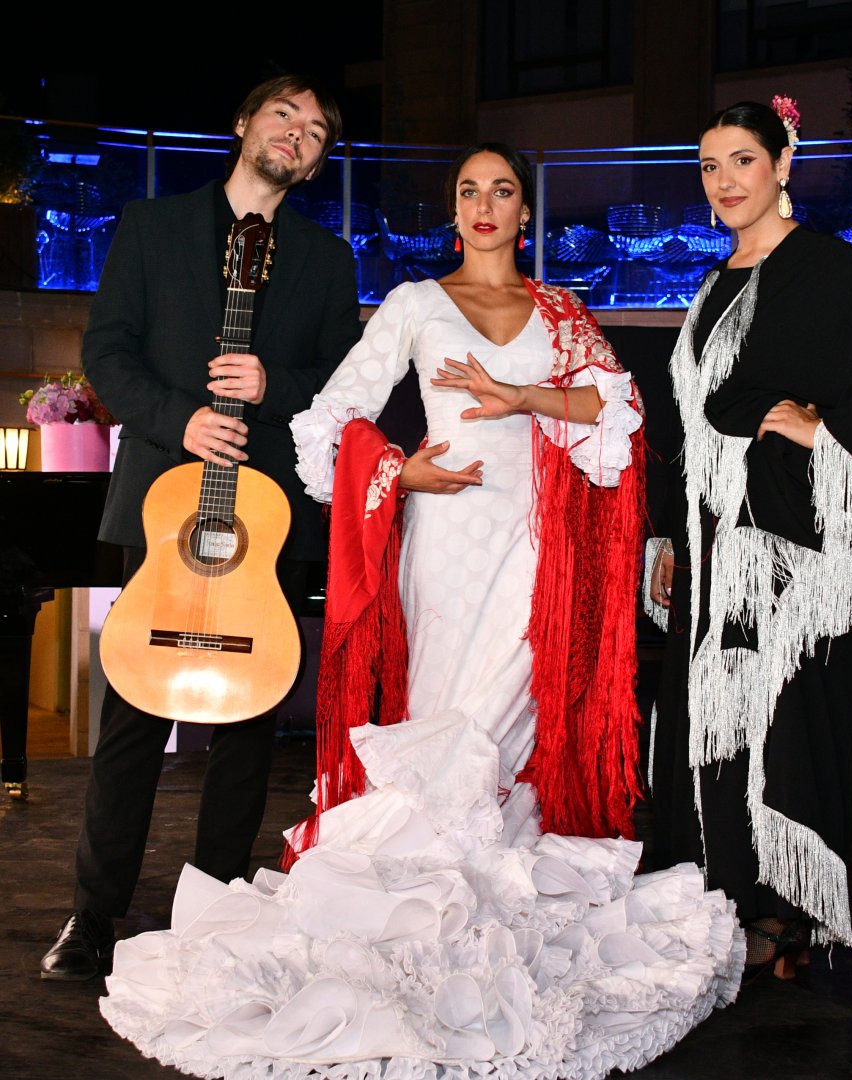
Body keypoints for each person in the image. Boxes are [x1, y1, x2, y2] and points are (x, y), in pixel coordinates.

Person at [96, 142, 744, 1078]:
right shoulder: (414, 304)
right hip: (443, 549)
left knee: (506, 741)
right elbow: (330, 419)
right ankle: (425, 927)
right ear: (455, 209)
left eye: (504, 191)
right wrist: (403, 474)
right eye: (469, 191)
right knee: (445, 735)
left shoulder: (561, 314)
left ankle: (490, 925)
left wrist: (523, 392)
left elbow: (616, 413)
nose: (485, 206)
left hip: (537, 559)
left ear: (527, 213)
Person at [39, 74, 364, 981]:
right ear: (243, 123)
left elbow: (345, 385)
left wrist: (277, 389)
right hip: (167, 505)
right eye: (283, 115)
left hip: (264, 516)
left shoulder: (327, 262)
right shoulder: (151, 230)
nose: (297, 134)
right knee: (135, 716)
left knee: (250, 722)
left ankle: (217, 909)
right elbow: (107, 349)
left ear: (318, 159)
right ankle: (93, 916)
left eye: (315, 130)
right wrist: (179, 418)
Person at [645, 98, 852, 981]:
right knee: (714, 719)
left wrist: (820, 429)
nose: (725, 182)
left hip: (793, 545)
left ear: (783, 162)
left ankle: (786, 914)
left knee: (786, 722)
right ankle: (721, 891)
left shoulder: (828, 269)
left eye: (743, 161)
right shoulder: (717, 280)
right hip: (716, 539)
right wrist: (671, 536)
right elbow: (694, 423)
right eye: (710, 167)